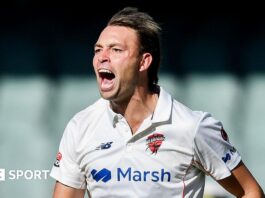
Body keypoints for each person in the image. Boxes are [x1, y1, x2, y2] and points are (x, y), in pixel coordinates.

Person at [50, 7, 264, 198]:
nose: (101, 57)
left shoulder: (191, 127)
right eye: (98, 49)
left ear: (144, 62)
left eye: (116, 50)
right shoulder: (80, 126)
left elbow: (250, 191)